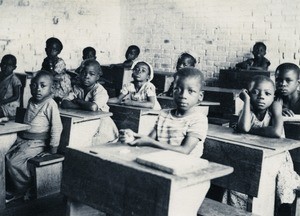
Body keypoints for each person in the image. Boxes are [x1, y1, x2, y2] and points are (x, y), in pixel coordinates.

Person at [224, 75, 300, 215]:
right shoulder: (248, 112)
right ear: (247, 93)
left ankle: (284, 209)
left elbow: (276, 132)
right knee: (238, 183)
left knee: (283, 184)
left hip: (277, 159)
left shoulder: (275, 109)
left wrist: (251, 130)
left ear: (273, 96)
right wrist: (246, 102)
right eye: (255, 92)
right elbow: (244, 127)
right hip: (253, 158)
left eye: (267, 93)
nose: (261, 97)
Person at [119, 67, 208, 157]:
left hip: (187, 166)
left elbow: (185, 150)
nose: (183, 95)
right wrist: (134, 137)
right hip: (162, 160)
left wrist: (150, 142)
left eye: (191, 91)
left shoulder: (199, 119)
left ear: (200, 96)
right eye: (177, 89)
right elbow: (149, 139)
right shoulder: (164, 114)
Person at [5, 70, 62, 202]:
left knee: (13, 163)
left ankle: (23, 189)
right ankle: (13, 185)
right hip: (23, 140)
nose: (38, 89)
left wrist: (52, 150)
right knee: (5, 155)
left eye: (43, 86)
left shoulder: (50, 104)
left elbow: (57, 128)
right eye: (34, 85)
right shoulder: (31, 100)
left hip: (38, 143)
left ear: (51, 88)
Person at [61, 59, 118, 144]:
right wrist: (84, 107)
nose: (87, 76)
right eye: (84, 73)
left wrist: (78, 101)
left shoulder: (100, 90)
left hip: (102, 124)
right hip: (86, 121)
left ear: (97, 77)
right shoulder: (77, 88)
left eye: (92, 74)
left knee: (95, 145)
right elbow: (64, 103)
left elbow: (93, 107)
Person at [41, 37, 72, 104]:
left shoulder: (60, 62)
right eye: (49, 48)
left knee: (57, 99)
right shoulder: (45, 60)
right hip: (51, 83)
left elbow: (52, 74)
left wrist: (50, 63)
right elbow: (43, 72)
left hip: (60, 85)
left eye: (54, 50)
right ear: (45, 49)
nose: (51, 51)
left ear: (59, 52)